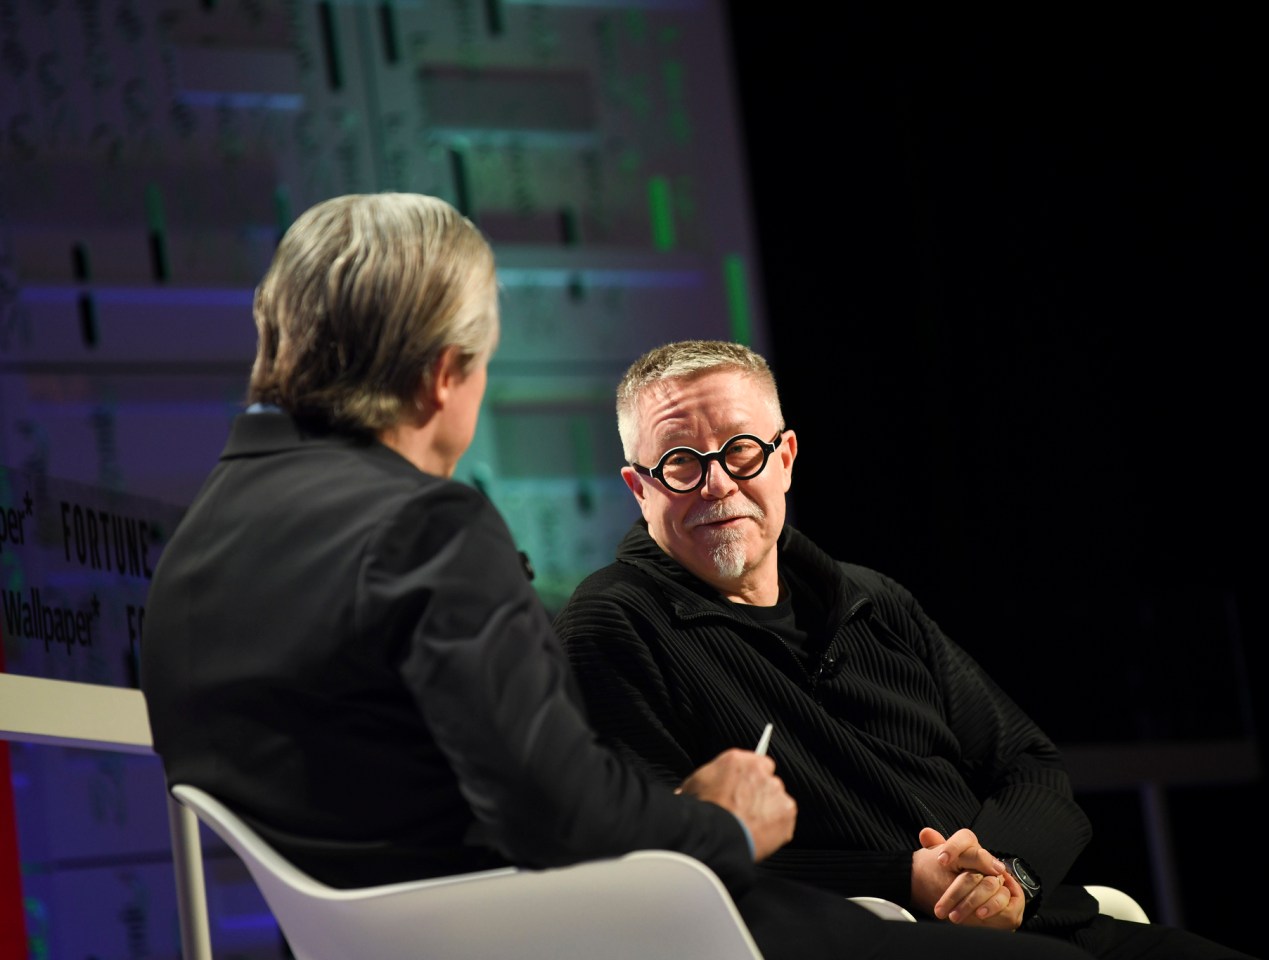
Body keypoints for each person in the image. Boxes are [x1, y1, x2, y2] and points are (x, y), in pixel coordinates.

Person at [140, 195, 1090, 960]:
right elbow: (554, 811)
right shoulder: (426, 524)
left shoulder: (190, 557)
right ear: (441, 376)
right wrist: (721, 822)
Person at [554, 339, 1258, 959]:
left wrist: (1007, 874)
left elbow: (1031, 764)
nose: (718, 483)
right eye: (680, 463)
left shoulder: (873, 599)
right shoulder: (613, 623)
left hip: (1034, 921)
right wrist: (902, 880)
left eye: (742, 451)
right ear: (637, 489)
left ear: (787, 458)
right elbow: (666, 861)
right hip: (867, 936)